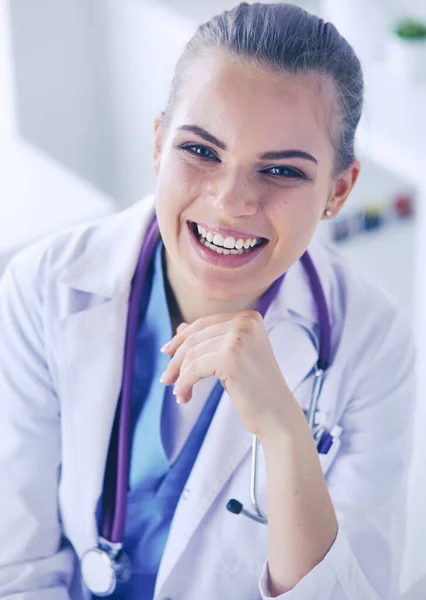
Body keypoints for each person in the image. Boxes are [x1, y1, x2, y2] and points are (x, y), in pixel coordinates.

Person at [0, 3, 416, 599]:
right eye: (200, 151)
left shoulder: (374, 346)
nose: (231, 201)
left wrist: (283, 431)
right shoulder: (43, 288)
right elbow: (17, 571)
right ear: (157, 144)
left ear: (338, 191)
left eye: (280, 170)